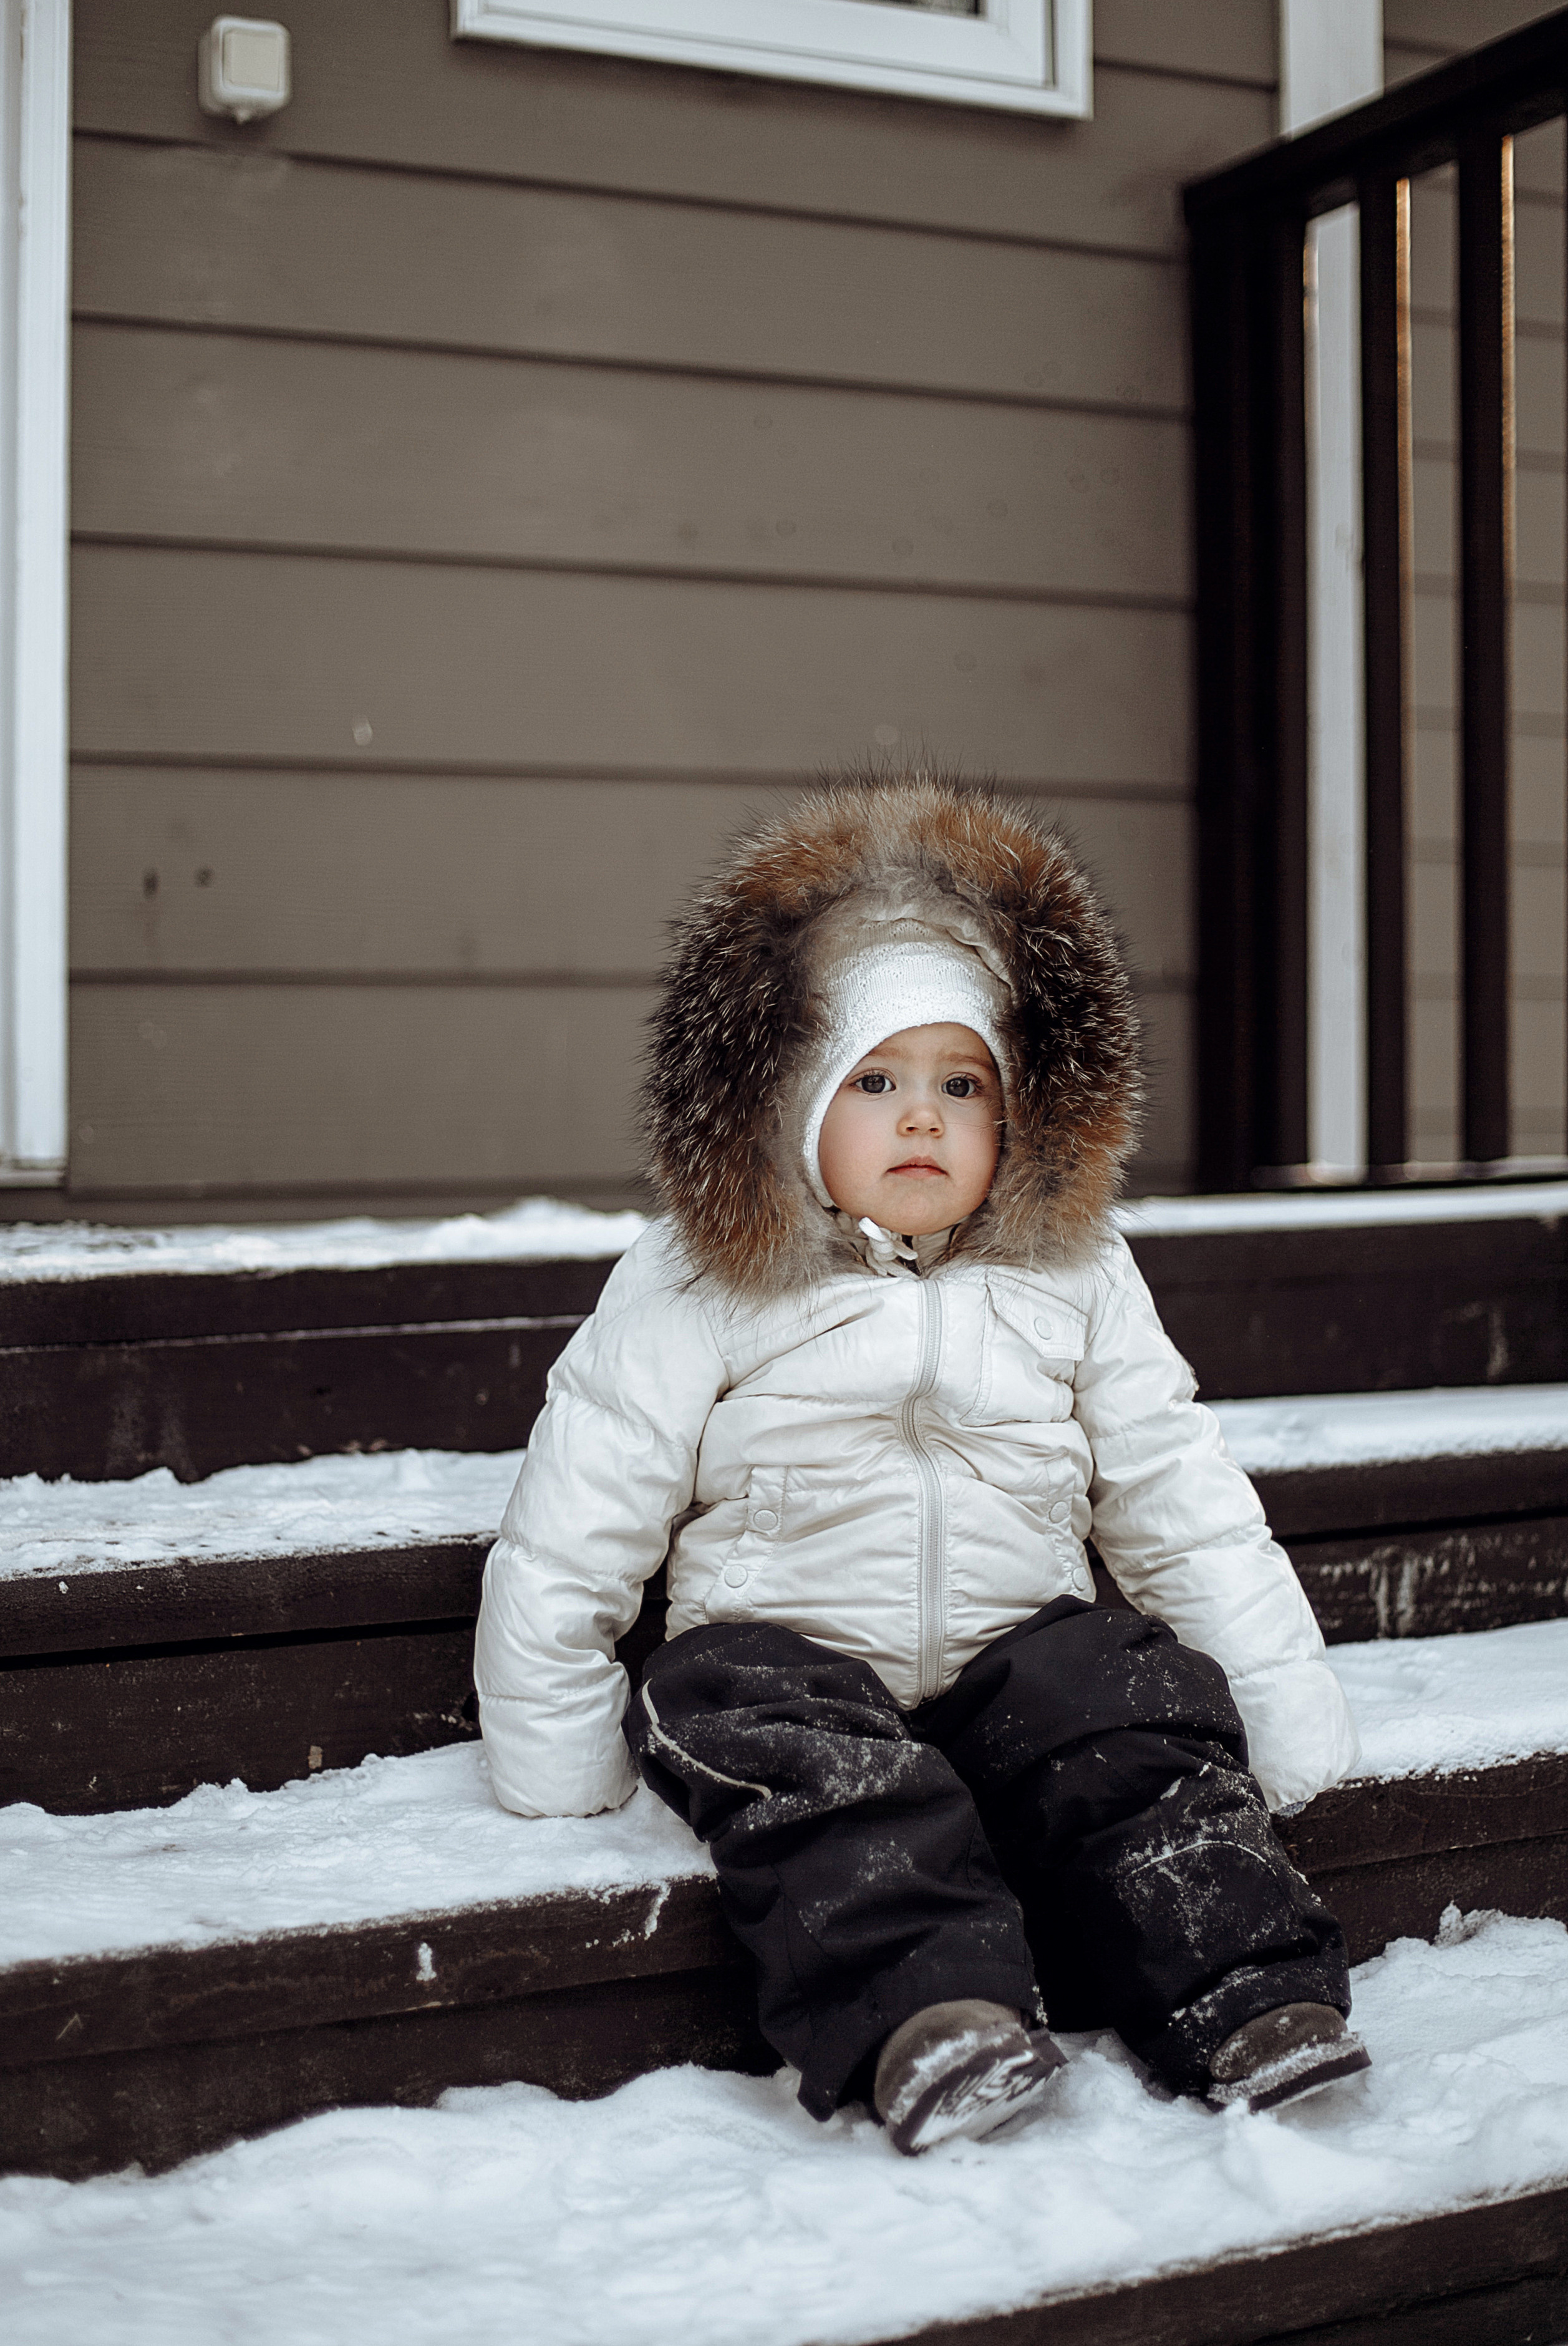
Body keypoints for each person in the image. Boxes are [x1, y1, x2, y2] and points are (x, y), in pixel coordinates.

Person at [475, 775, 1370, 2155]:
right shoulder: (701, 1276)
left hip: (1018, 1655)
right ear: (791, 1107)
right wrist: (553, 1744)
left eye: (963, 1085)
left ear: (1018, 1117)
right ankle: (932, 2014)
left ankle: (1246, 1986)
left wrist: (1279, 1702)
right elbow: (581, 1509)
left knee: (1128, 1707)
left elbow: (1176, 1493)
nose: (921, 1119)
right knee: (769, 1733)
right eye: (876, 1080)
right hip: (794, 1652)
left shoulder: (1076, 1271)